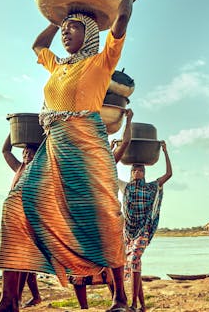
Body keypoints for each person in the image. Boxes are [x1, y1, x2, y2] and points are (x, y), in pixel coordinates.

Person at [0, 0, 141, 312]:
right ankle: (9, 300)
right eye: (65, 29)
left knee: (103, 216)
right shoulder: (57, 66)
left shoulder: (102, 63)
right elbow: (38, 45)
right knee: (16, 208)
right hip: (53, 145)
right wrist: (58, 19)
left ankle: (119, 297)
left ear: (88, 35)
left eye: (73, 28)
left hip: (87, 144)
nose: (65, 35)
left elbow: (122, 22)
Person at [70, 108, 133, 309]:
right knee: (78, 265)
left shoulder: (109, 161)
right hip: (81, 217)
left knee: (111, 260)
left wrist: (128, 120)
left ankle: (119, 300)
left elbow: (126, 142)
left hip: (105, 216)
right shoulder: (78, 160)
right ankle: (84, 308)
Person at [119, 142, 172, 312]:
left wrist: (165, 151)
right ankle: (142, 306)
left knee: (134, 259)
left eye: (140, 171)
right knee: (136, 265)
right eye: (134, 170)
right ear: (131, 173)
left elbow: (169, 174)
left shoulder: (151, 187)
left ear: (144, 173)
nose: (137, 173)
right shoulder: (125, 187)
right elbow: (108, 173)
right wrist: (113, 149)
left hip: (144, 229)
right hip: (128, 232)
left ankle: (133, 304)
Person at [2, 134, 42, 308]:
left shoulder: (39, 169)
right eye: (25, 152)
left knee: (21, 260)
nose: (26, 155)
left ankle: (15, 300)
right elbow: (5, 151)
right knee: (24, 262)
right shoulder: (19, 167)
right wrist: (13, 131)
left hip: (29, 218)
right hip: (15, 218)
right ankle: (16, 299)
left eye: (31, 152)